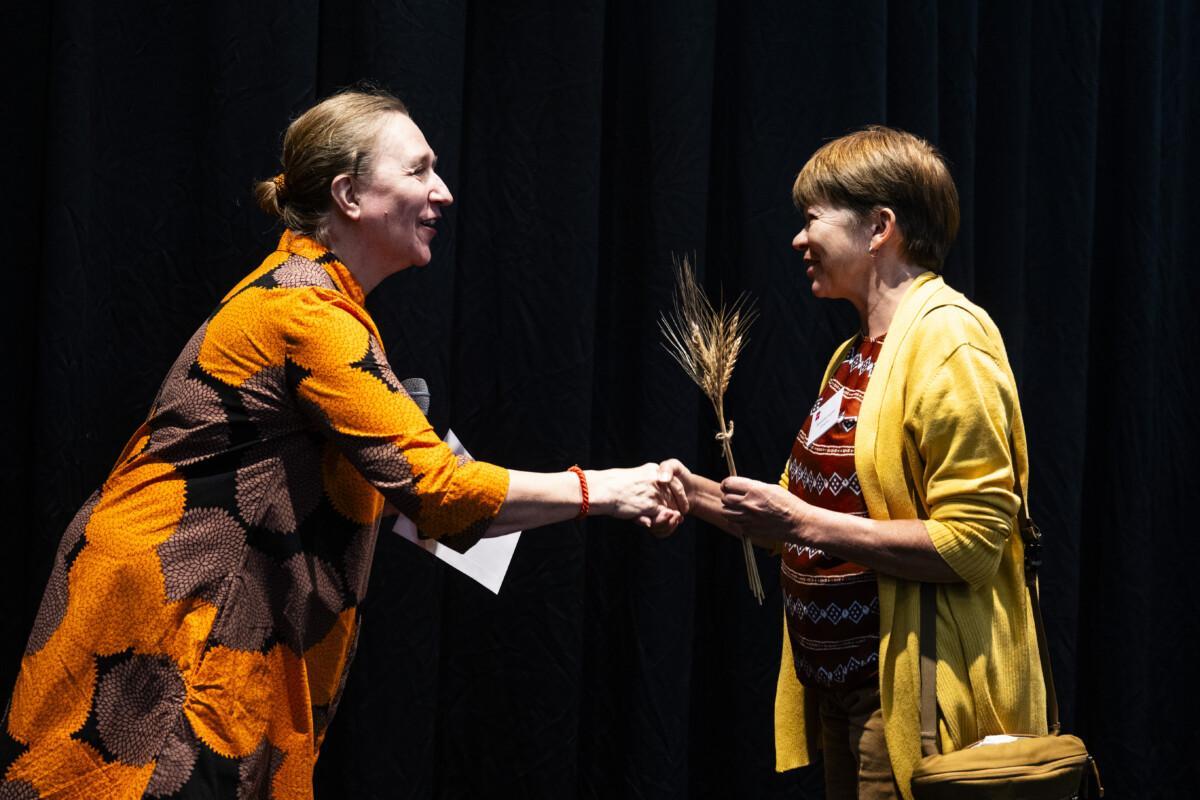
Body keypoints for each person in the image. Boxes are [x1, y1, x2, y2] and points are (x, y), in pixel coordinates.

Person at [1, 88, 687, 799]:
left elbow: (413, 493)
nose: (442, 192)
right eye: (419, 170)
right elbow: (438, 493)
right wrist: (607, 489)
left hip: (186, 620)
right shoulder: (308, 314)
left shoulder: (315, 301)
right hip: (171, 635)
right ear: (350, 194)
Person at [659, 126, 1046, 799]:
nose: (798, 240)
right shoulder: (853, 358)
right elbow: (790, 515)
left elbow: (973, 545)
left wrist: (805, 523)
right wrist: (688, 492)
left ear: (879, 228)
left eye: (812, 218)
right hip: (844, 693)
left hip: (912, 700)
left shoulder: (951, 343)